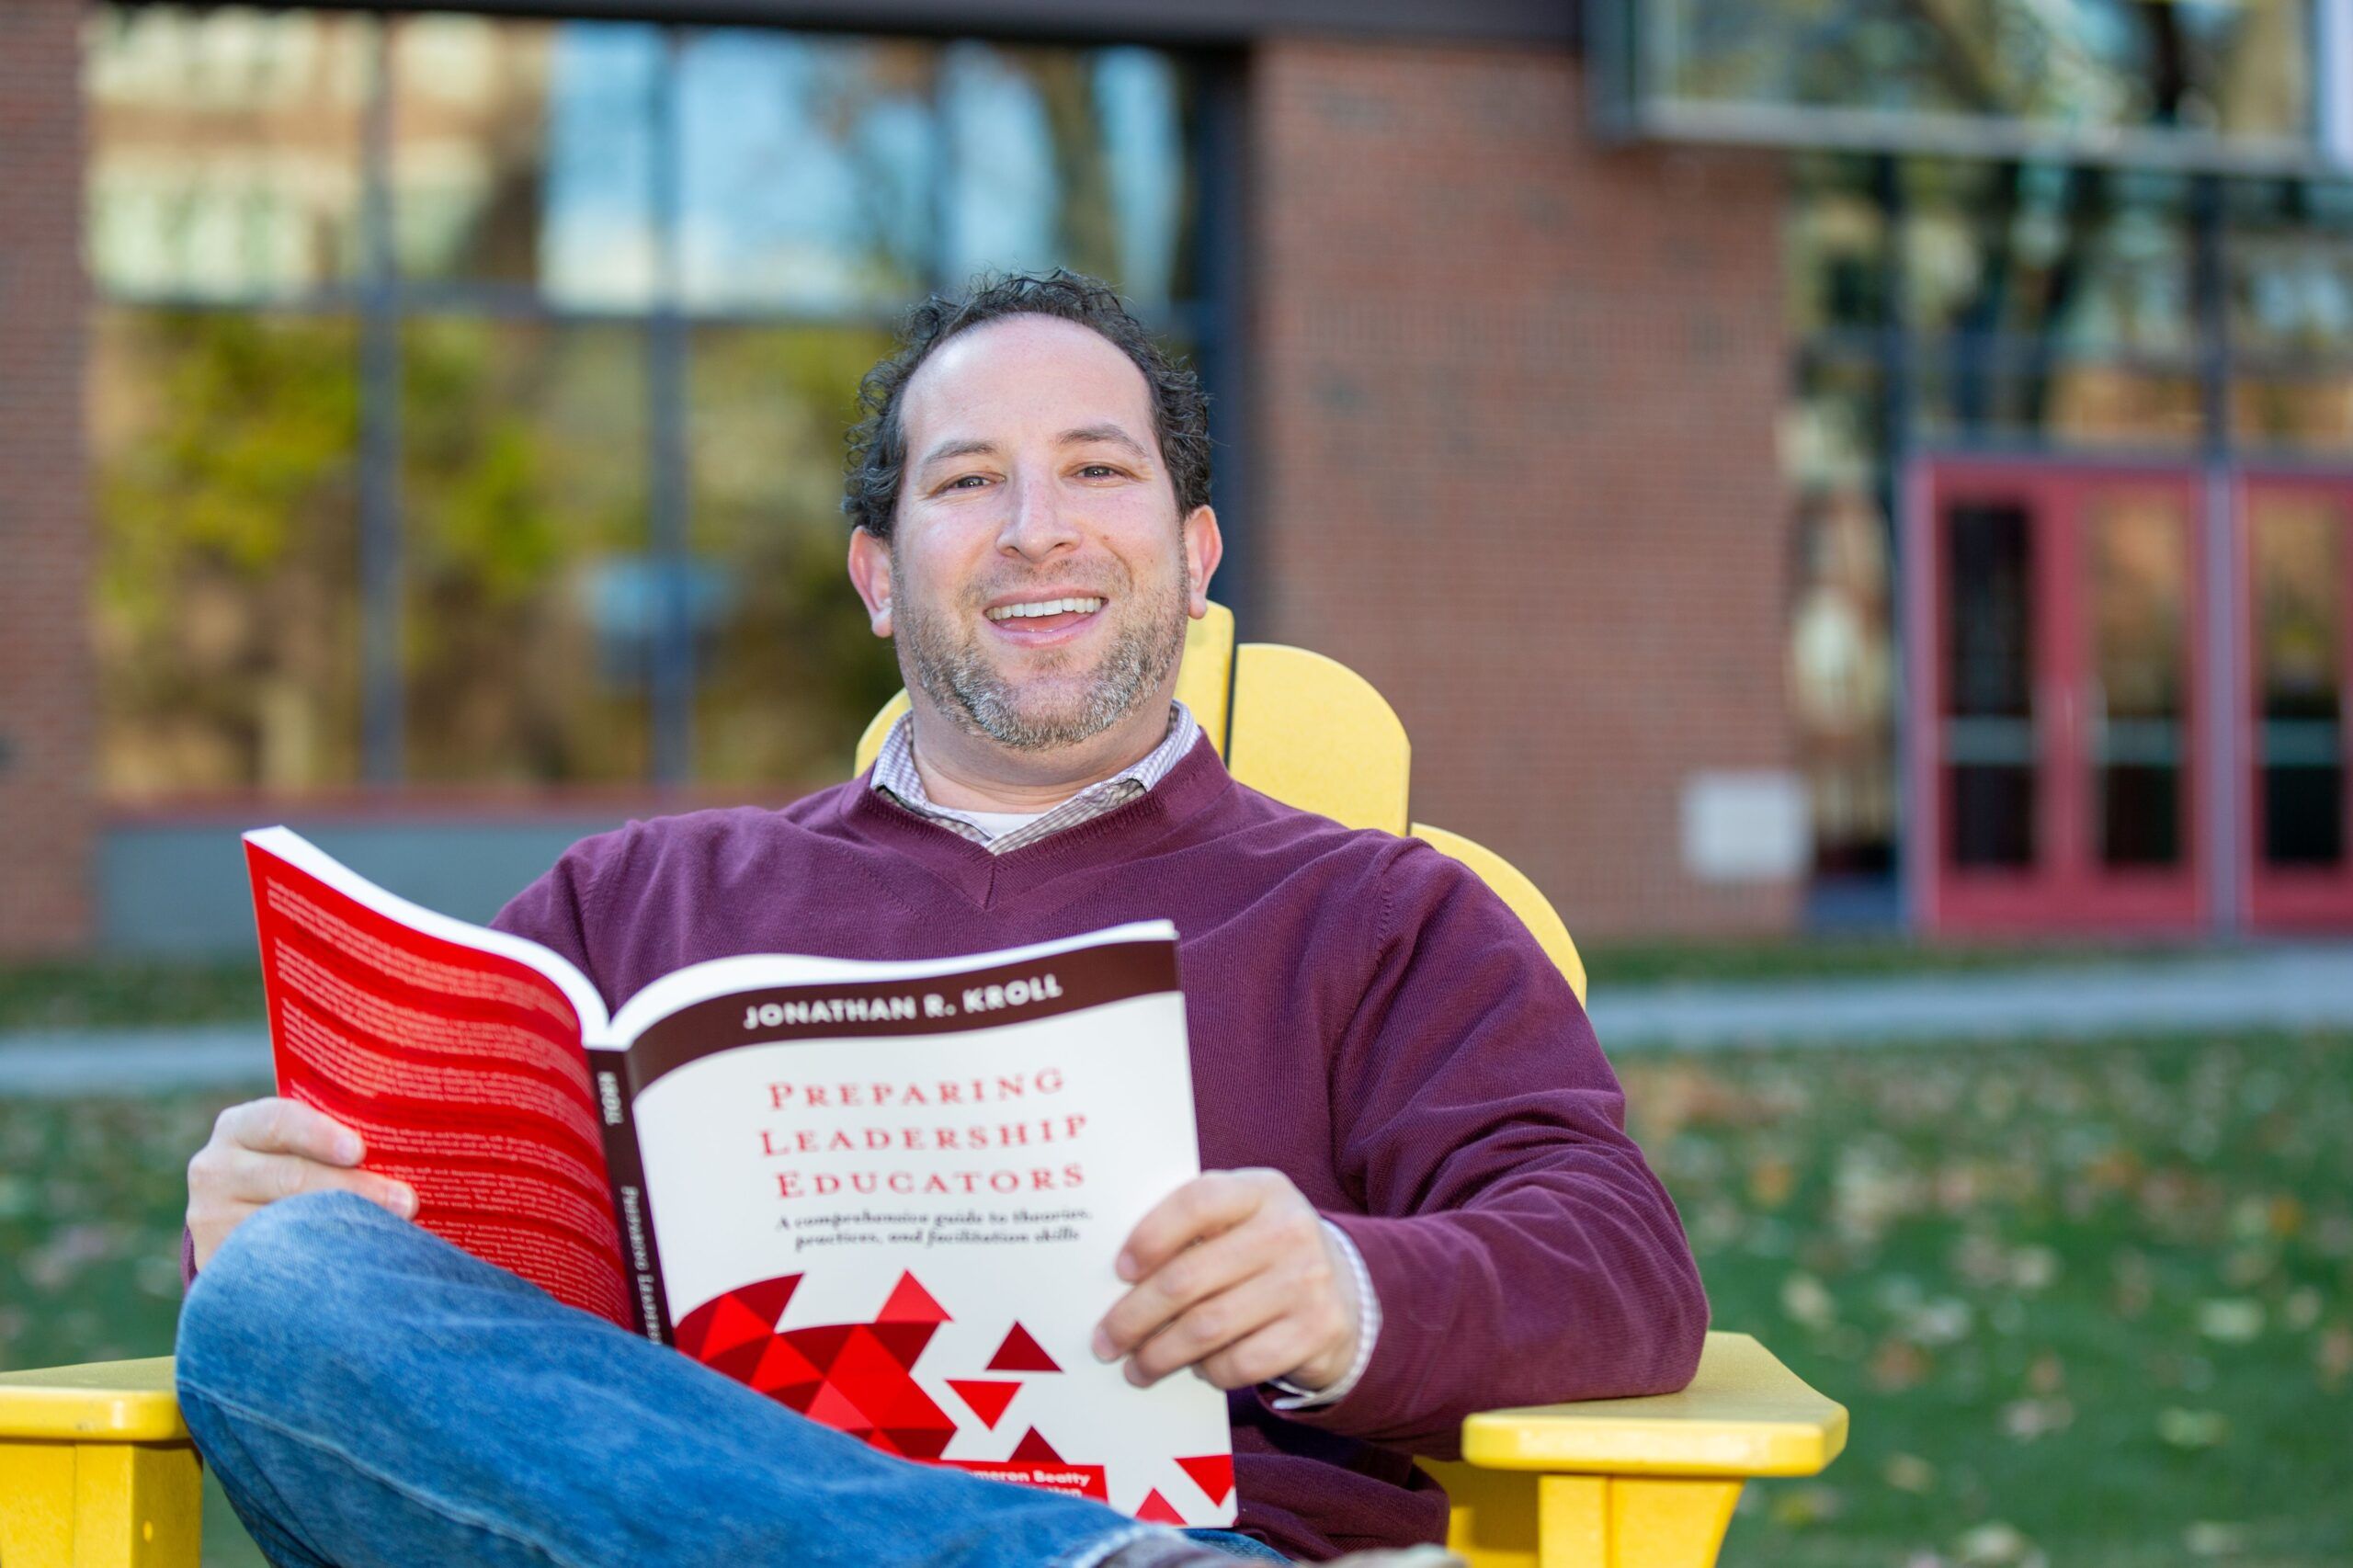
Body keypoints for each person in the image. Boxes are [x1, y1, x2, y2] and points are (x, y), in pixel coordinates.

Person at [177, 271, 1709, 1568]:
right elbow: (399, 1344)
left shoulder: (1381, 916)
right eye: (968, 480)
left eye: (1100, 470)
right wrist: (266, 1219)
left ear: (1193, 556)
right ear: (879, 579)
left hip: (1221, 1517)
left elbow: (1623, 1267)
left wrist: (1346, 1287)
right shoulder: (627, 906)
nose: (1038, 529)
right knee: (283, 1291)